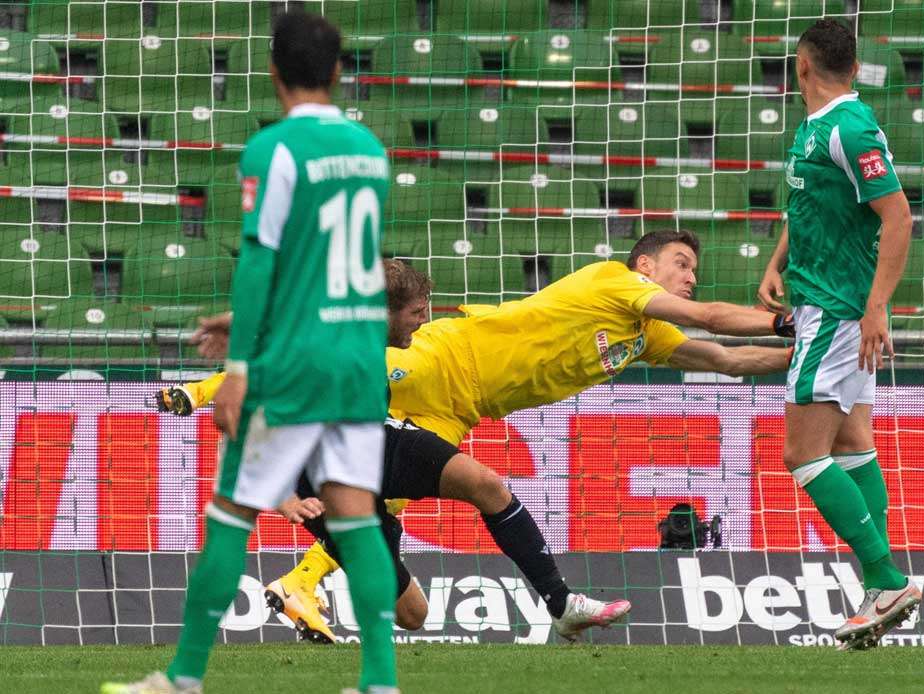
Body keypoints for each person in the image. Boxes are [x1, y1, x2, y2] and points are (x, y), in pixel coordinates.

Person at [160, 229, 796, 643]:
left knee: (384, 500)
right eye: (680, 264)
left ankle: (302, 581)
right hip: (449, 358)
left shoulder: (645, 338)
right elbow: (711, 318)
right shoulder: (615, 282)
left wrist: (806, 357)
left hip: (459, 409)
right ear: (644, 264)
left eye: (694, 269)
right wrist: (785, 320)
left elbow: (728, 358)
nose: (690, 276)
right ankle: (206, 386)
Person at [104, 12, 400, 694]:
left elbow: (265, 258)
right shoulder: (369, 151)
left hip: (294, 363)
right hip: (357, 361)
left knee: (230, 514)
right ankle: (380, 683)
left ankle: (181, 678)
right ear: (336, 71)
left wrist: (237, 363)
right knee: (357, 519)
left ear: (272, 72)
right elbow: (334, 264)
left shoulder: (275, 150)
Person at [757, 19, 920, 650]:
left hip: (835, 311)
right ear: (851, 67)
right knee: (854, 442)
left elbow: (898, 215)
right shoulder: (815, 127)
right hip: (830, 300)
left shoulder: (850, 128)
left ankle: (885, 578)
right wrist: (778, 259)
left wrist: (878, 306)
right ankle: (876, 595)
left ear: (801, 67)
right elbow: (815, 205)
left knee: (802, 454)